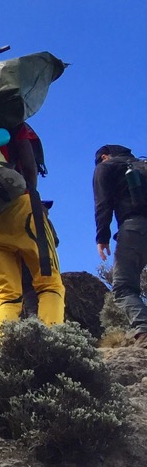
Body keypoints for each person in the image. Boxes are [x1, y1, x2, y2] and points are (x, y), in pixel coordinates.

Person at [0, 122, 65, 335]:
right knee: (49, 285)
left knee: (6, 296)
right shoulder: (8, 117)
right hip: (19, 206)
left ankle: (7, 353)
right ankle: (54, 345)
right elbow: (29, 167)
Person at [93, 144, 147, 344]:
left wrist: (102, 237)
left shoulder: (106, 167)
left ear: (105, 156)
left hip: (135, 228)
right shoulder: (143, 164)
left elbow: (103, 203)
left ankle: (143, 329)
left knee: (123, 287)